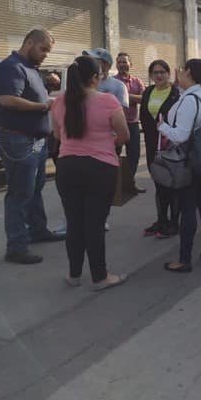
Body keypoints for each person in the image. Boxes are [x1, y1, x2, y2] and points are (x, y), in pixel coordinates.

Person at [52, 56, 130, 291]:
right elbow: (124, 135)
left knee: (74, 223)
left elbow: (57, 135)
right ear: (95, 78)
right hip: (100, 168)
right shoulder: (107, 101)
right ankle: (100, 276)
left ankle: (74, 275)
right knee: (94, 224)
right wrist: (106, 142)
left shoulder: (59, 101)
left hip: (67, 167)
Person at [0, 29, 64, 265]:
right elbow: (8, 100)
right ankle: (16, 247)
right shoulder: (12, 66)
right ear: (29, 42)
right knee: (19, 194)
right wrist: (45, 106)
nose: (45, 54)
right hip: (18, 140)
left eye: (48, 51)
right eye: (43, 49)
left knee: (34, 190)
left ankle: (37, 230)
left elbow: (30, 95)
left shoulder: (31, 69)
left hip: (36, 141)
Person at [159, 59, 201, 273]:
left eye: (182, 70)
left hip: (188, 161)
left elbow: (181, 135)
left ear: (190, 73)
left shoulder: (190, 100)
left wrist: (163, 127)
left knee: (188, 208)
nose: (179, 74)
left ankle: (184, 259)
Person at [139, 60, 181, 238]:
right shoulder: (148, 91)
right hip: (151, 144)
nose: (159, 75)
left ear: (168, 73)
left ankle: (173, 223)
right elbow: (145, 117)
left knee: (171, 185)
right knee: (159, 183)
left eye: (163, 72)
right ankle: (161, 220)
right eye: (155, 72)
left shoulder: (176, 93)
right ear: (150, 75)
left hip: (170, 145)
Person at [114, 52, 146, 193]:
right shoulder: (112, 82)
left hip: (133, 123)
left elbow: (144, 99)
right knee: (113, 155)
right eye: (119, 62)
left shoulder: (137, 82)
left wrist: (125, 95)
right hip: (115, 124)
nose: (122, 64)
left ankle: (129, 183)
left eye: (124, 62)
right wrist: (132, 98)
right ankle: (114, 186)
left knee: (134, 156)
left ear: (130, 64)